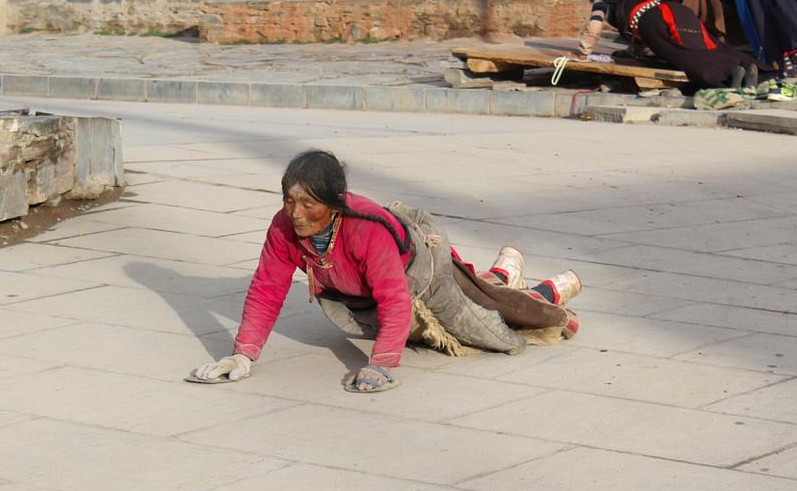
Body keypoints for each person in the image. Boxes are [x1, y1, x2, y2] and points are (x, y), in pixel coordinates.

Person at [188, 150, 582, 393]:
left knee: (495, 332)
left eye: (308, 204)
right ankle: (502, 272)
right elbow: (266, 289)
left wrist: (382, 363)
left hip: (422, 270)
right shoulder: (283, 227)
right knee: (467, 302)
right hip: (368, 288)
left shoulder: (366, 230)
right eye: (289, 201)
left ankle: (548, 295)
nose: (296, 214)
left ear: (335, 203)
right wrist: (243, 356)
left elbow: (394, 298)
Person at [580, 0, 759, 89]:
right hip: (677, 10)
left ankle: (725, 79)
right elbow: (637, 41)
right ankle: (745, 66)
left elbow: (594, 28)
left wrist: (584, 52)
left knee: (682, 56)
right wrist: (631, 52)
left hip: (654, 20)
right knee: (708, 45)